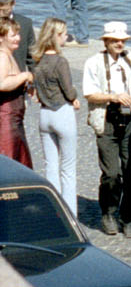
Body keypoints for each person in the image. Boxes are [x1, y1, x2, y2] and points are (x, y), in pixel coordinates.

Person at [82, 21, 131, 234]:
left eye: (123, 40)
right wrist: (113, 97)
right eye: (116, 40)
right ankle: (108, 212)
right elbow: (89, 93)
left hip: (130, 120)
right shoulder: (94, 62)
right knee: (111, 172)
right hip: (107, 119)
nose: (120, 44)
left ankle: (128, 218)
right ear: (106, 41)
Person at [29, 18, 80, 217]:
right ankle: (69, 213)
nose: (66, 37)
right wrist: (74, 96)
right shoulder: (61, 61)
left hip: (44, 114)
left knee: (50, 166)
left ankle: (52, 211)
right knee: (68, 168)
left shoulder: (38, 59)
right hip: (62, 113)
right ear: (57, 36)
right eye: (64, 34)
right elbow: (69, 91)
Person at [0, 17, 34, 168]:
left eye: (18, 34)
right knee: (9, 162)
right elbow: (1, 84)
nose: (18, 39)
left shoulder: (9, 55)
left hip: (15, 120)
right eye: (12, 35)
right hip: (6, 120)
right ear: (1, 37)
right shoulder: (2, 57)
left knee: (19, 161)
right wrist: (24, 76)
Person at [0, 0, 33, 73]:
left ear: (13, 4)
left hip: (17, 76)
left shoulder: (25, 24)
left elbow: (32, 56)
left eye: (5, 10)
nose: (1, 13)